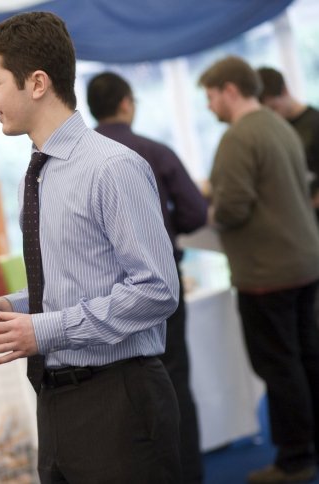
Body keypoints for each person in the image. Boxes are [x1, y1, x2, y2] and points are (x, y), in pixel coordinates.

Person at [0, 12, 182, 483]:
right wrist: (7, 309)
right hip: (56, 401)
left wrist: (45, 330)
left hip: (119, 400)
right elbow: (76, 282)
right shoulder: (38, 173)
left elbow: (158, 291)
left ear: (37, 83)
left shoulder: (111, 168)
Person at [199, 56, 319, 484]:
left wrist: (206, 211)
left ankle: (294, 459)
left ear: (230, 90)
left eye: (211, 97)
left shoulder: (238, 137)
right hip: (303, 261)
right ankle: (307, 448)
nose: (210, 107)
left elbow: (232, 206)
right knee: (306, 358)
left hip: (267, 273)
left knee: (279, 366)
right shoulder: (279, 125)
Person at [87, 71, 207, 484]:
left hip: (101, 297)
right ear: (127, 103)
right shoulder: (153, 152)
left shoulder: (79, 163)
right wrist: (163, 224)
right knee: (173, 379)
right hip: (158, 286)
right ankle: (187, 475)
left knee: (114, 393)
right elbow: (196, 213)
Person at [257, 66, 319, 218]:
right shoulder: (275, 130)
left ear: (285, 91)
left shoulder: (315, 123)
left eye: (274, 108)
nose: (273, 117)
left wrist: (307, 207)